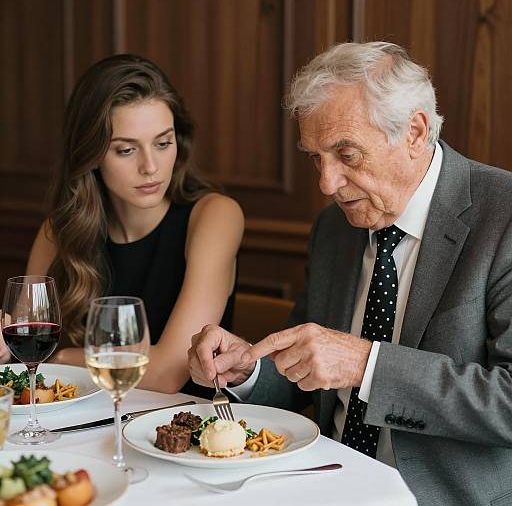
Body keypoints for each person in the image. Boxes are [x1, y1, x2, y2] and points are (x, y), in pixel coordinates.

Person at [188, 41, 512, 506]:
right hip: (320, 483)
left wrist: (367, 365)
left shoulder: (503, 217)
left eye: (347, 154)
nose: (326, 183)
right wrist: (248, 370)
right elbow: (309, 367)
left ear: (415, 132)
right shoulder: (334, 230)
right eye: (315, 157)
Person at [20, 54, 244, 396]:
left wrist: (62, 358)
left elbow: (168, 372)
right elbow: (23, 343)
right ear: (91, 155)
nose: (151, 167)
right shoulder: (59, 230)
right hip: (87, 424)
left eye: (163, 143)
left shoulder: (215, 216)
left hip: (186, 434)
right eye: (126, 150)